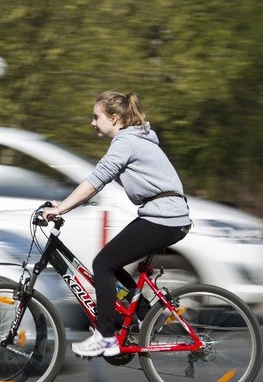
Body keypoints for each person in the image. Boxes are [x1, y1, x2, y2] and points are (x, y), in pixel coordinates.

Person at [40, 91, 191, 358]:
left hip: (164, 218)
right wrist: (67, 203)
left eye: (96, 116)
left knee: (103, 264)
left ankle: (106, 338)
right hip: (163, 216)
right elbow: (98, 184)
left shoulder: (126, 142)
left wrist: (62, 207)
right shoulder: (134, 139)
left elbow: (97, 180)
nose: (92, 122)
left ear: (114, 118)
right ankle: (145, 314)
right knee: (110, 261)